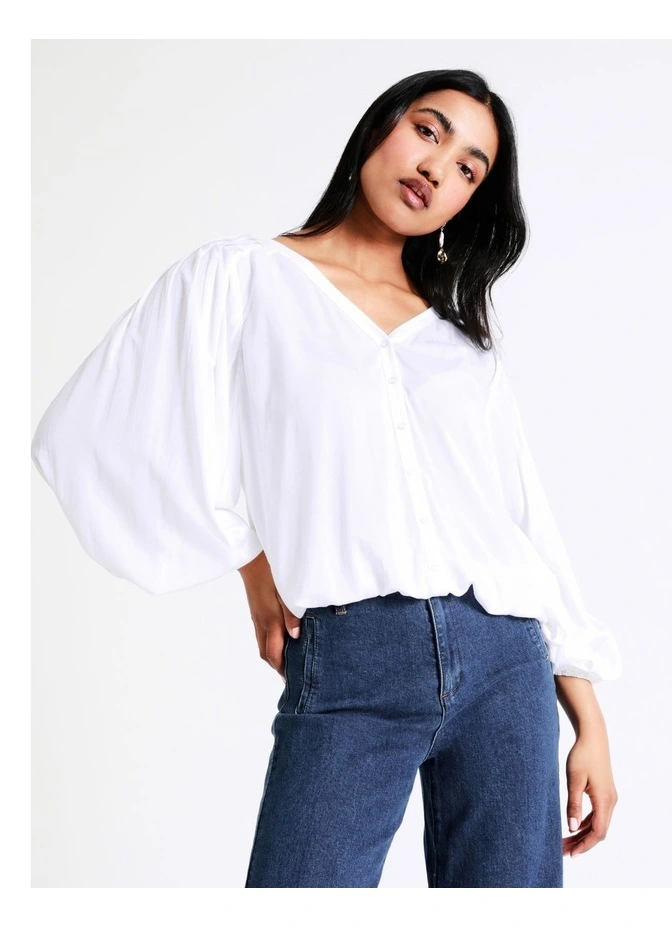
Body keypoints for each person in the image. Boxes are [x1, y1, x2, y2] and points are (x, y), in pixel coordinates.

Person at [30, 68, 621, 888]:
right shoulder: (242, 279)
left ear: (468, 202)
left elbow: (523, 520)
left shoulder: (460, 342)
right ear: (381, 127)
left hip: (505, 666)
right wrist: (250, 562)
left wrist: (587, 716)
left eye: (467, 168)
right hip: (352, 657)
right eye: (428, 131)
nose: (436, 167)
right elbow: (96, 430)